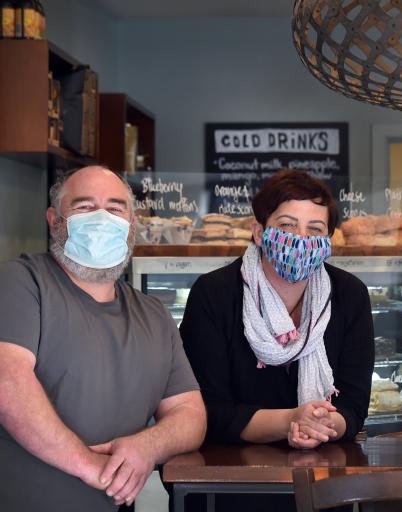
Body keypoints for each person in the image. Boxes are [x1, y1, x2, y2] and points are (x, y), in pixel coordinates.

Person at [0, 166, 207, 512]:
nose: (101, 219)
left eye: (114, 209)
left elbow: (191, 415)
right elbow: (8, 383)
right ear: (54, 220)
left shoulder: (154, 315)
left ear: (132, 225)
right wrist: (91, 467)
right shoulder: (21, 283)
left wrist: (147, 447)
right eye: (83, 207)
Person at [179, 168, 374, 511]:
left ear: (328, 241)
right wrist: (290, 421)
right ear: (259, 232)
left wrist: (322, 423)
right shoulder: (215, 294)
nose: (301, 238)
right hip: (231, 485)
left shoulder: (349, 295)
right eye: (286, 225)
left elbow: (354, 406)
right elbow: (209, 411)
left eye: (315, 229)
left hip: (324, 486)